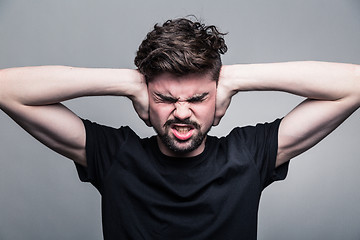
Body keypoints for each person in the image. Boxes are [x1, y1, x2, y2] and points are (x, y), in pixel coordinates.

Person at [0, 17, 359, 240]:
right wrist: (128, 82)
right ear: (146, 99)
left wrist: (236, 78)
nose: (182, 113)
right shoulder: (114, 155)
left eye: (199, 98)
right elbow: (6, 89)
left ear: (217, 99)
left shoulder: (249, 153)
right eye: (166, 98)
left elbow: (354, 84)